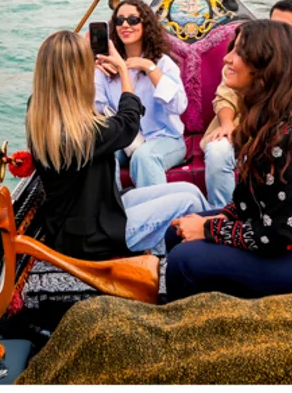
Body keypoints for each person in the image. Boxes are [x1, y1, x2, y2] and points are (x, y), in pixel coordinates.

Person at [26, 30, 207, 259]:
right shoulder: (82, 133)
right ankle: (173, 264)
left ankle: (198, 247)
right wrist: (123, 70)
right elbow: (128, 124)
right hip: (92, 235)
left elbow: (69, 96)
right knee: (188, 202)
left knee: (188, 190)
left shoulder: (40, 113)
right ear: (77, 73)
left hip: (99, 211)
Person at [166, 20, 292, 300]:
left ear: (265, 66)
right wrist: (222, 218)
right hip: (274, 236)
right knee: (176, 232)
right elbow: (246, 203)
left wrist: (209, 228)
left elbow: (277, 236)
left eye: (240, 52)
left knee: (183, 260)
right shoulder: (264, 121)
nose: (227, 57)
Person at [201, 0, 292, 206]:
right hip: (242, 127)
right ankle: (219, 208)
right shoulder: (243, 64)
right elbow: (225, 96)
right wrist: (227, 124)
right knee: (218, 149)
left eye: (284, 30)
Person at [95, 0, 188, 187]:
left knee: (144, 156)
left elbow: (178, 105)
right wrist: (92, 68)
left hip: (165, 138)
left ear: (145, 24)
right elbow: (95, 109)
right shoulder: (106, 67)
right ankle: (113, 212)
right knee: (100, 156)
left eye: (133, 19)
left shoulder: (162, 63)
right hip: (124, 141)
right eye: (120, 20)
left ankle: (156, 214)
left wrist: (149, 67)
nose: (125, 25)